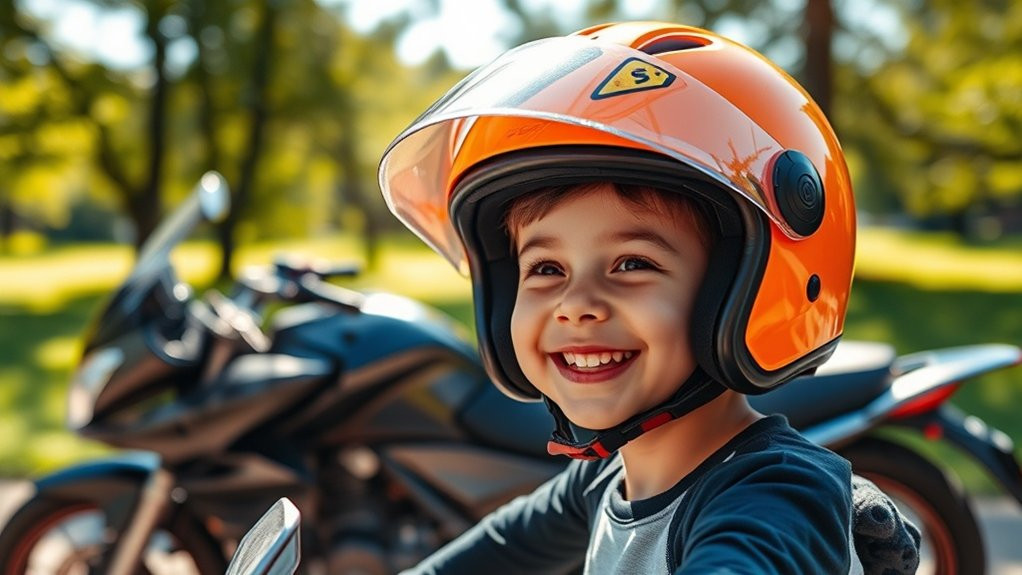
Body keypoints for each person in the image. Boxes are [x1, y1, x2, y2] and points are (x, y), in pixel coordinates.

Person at [378, 21, 919, 574]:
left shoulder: (775, 502)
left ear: (743, 290)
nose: (576, 303)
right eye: (545, 268)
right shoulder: (607, 475)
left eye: (632, 264)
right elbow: (489, 558)